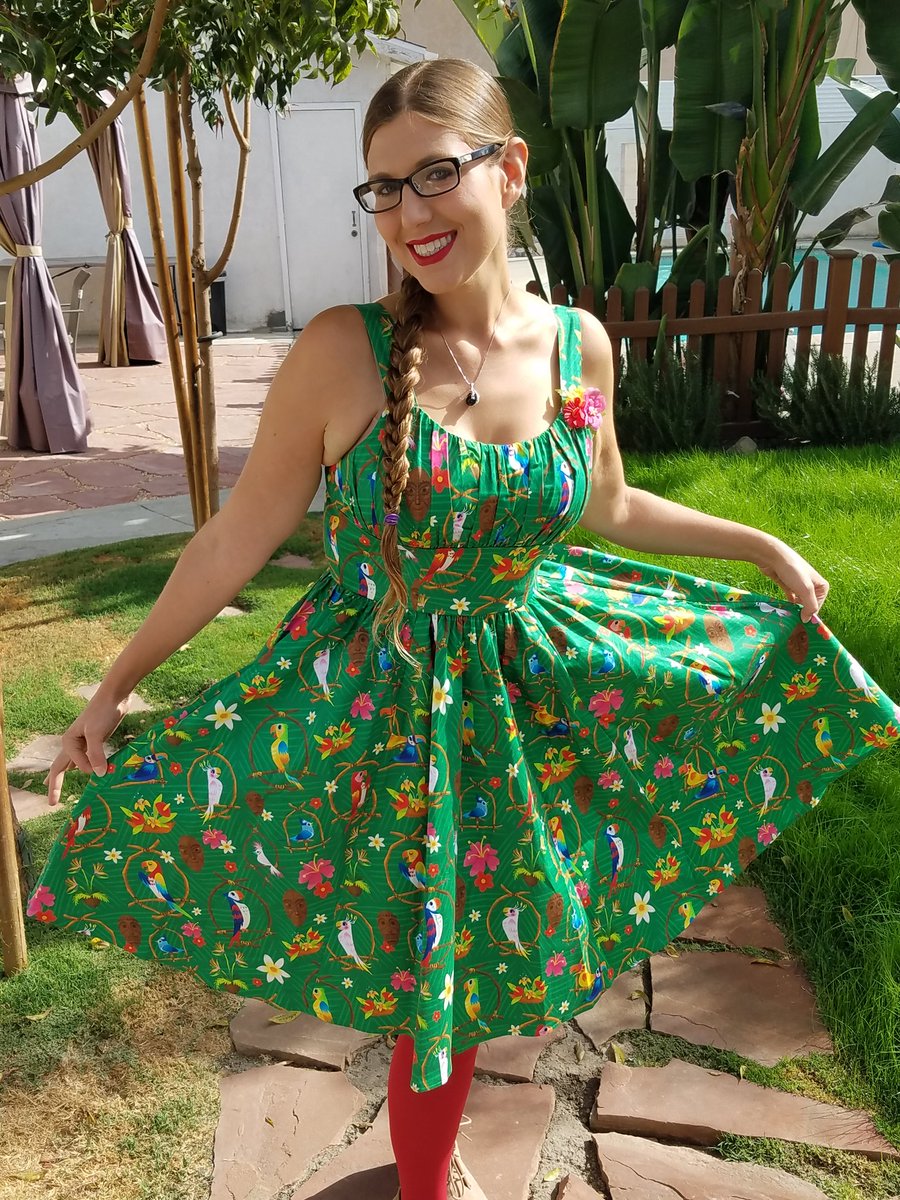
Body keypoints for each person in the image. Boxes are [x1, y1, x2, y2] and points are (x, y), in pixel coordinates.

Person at [27, 58, 899, 1200]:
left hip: (524, 699)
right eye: (384, 189)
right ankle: (429, 1187)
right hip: (378, 712)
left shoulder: (578, 344)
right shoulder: (344, 351)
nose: (409, 213)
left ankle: (428, 1177)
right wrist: (114, 684)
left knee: (480, 970)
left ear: (511, 167)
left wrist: (757, 543)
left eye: (436, 174)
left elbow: (607, 503)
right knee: (422, 983)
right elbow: (235, 538)